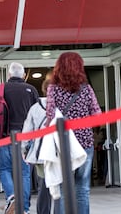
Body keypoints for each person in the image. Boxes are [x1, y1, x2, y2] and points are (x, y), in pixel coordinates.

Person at [45, 52, 101, 214]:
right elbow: (97, 115)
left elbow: (50, 116)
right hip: (85, 143)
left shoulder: (53, 89)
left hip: (63, 144)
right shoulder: (86, 89)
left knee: (63, 188)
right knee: (82, 188)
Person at [0, 62, 39, 214]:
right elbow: (37, 114)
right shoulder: (31, 89)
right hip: (26, 136)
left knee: (4, 169)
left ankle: (11, 196)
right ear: (24, 75)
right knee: (25, 172)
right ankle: (24, 208)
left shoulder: (1, 88)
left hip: (5, 135)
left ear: (9, 75)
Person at [22, 72, 54, 214]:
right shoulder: (63, 106)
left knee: (44, 185)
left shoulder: (35, 108)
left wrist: (24, 149)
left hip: (41, 152)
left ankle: (43, 212)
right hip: (59, 152)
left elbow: (27, 131)